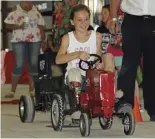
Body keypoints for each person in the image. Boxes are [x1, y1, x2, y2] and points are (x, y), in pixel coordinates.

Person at [56, 4, 122, 120]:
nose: (84, 23)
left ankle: (111, 92)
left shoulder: (96, 36)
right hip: (76, 75)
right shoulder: (67, 38)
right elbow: (58, 59)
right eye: (79, 20)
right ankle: (77, 107)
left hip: (93, 74)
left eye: (86, 19)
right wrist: (77, 54)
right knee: (75, 73)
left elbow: (98, 55)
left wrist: (100, 63)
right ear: (72, 22)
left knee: (109, 56)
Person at [109, 0, 155, 122]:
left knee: (152, 65)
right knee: (129, 63)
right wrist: (113, 18)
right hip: (132, 21)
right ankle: (125, 105)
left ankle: (153, 109)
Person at [4, 1, 45, 98]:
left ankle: (32, 90)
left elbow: (41, 25)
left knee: (34, 64)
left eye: (30, 2)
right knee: (19, 65)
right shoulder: (15, 10)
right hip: (19, 41)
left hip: (35, 40)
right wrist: (18, 26)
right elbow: (7, 25)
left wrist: (43, 39)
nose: (29, 3)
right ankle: (12, 91)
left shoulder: (35, 10)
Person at [97, 4, 123, 71]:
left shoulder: (117, 27)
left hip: (116, 54)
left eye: (105, 13)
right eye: (101, 13)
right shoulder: (99, 30)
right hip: (104, 56)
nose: (102, 15)